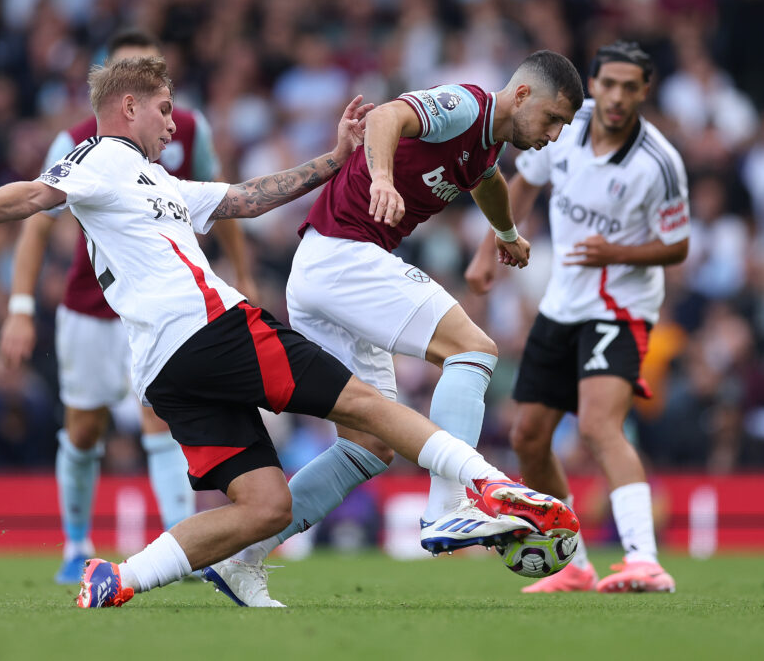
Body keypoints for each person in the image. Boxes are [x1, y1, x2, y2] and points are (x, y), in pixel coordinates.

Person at [0, 56, 579, 609]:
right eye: (164, 108)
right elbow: (36, 194)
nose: (175, 121)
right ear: (127, 107)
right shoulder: (97, 159)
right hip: (209, 328)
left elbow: (247, 199)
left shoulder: (155, 181)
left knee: (263, 504)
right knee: (369, 407)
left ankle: (122, 579)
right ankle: (481, 485)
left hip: (166, 369)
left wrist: (332, 157)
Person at [203, 49, 585, 607]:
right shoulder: (467, 104)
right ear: (523, 96)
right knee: (473, 350)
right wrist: (381, 177)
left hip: (321, 271)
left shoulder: (483, 149)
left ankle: (243, 558)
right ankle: (449, 505)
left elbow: (487, 181)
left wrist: (505, 232)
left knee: (371, 445)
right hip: (344, 256)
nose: (554, 134)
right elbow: (386, 117)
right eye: (553, 118)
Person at [0, 29, 257, 584]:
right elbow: (36, 221)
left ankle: (179, 548)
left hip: (162, 306)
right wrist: (20, 305)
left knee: (158, 419)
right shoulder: (75, 142)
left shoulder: (187, 128)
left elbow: (223, 198)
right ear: (117, 95)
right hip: (90, 308)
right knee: (85, 428)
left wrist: (243, 274)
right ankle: (75, 543)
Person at [465, 41, 690, 594]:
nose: (616, 96)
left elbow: (678, 245)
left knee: (595, 425)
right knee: (529, 436)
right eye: (607, 84)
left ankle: (644, 559)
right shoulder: (563, 125)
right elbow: (526, 182)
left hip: (620, 306)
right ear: (594, 85)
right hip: (562, 303)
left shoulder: (658, 162)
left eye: (628, 87)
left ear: (643, 92)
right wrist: (491, 244)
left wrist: (617, 254)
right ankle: (575, 565)